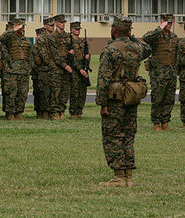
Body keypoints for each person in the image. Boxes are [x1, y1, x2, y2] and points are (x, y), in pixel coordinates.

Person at [96, 16, 151, 187]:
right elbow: (147, 48)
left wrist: (102, 103)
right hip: (130, 97)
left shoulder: (110, 50)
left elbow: (103, 80)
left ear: (114, 30)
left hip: (114, 100)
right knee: (128, 137)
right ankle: (128, 177)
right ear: (128, 31)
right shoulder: (136, 48)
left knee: (113, 137)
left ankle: (119, 177)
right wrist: (130, 36)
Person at [143, 13, 178, 130]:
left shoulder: (174, 37)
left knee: (169, 98)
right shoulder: (156, 35)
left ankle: (165, 121)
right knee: (158, 98)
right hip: (158, 73)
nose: (169, 25)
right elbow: (145, 38)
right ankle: (156, 122)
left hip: (171, 72)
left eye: (171, 23)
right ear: (162, 22)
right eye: (167, 22)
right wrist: (160, 28)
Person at [0, 18, 31, 120]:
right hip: (12, 71)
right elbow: (1, 38)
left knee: (23, 93)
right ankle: (10, 113)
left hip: (24, 71)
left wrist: (29, 68)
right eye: (21, 26)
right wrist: (14, 29)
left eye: (23, 26)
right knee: (11, 93)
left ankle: (19, 112)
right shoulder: (9, 37)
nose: (23, 28)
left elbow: (29, 54)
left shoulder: (26, 40)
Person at [69, 21, 91, 119]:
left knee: (82, 91)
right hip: (75, 70)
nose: (77, 31)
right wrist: (79, 69)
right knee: (75, 91)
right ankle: (73, 112)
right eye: (76, 29)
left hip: (83, 68)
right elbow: (72, 58)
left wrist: (87, 58)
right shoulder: (70, 42)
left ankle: (79, 111)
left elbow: (86, 56)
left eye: (78, 29)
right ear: (72, 30)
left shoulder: (83, 42)